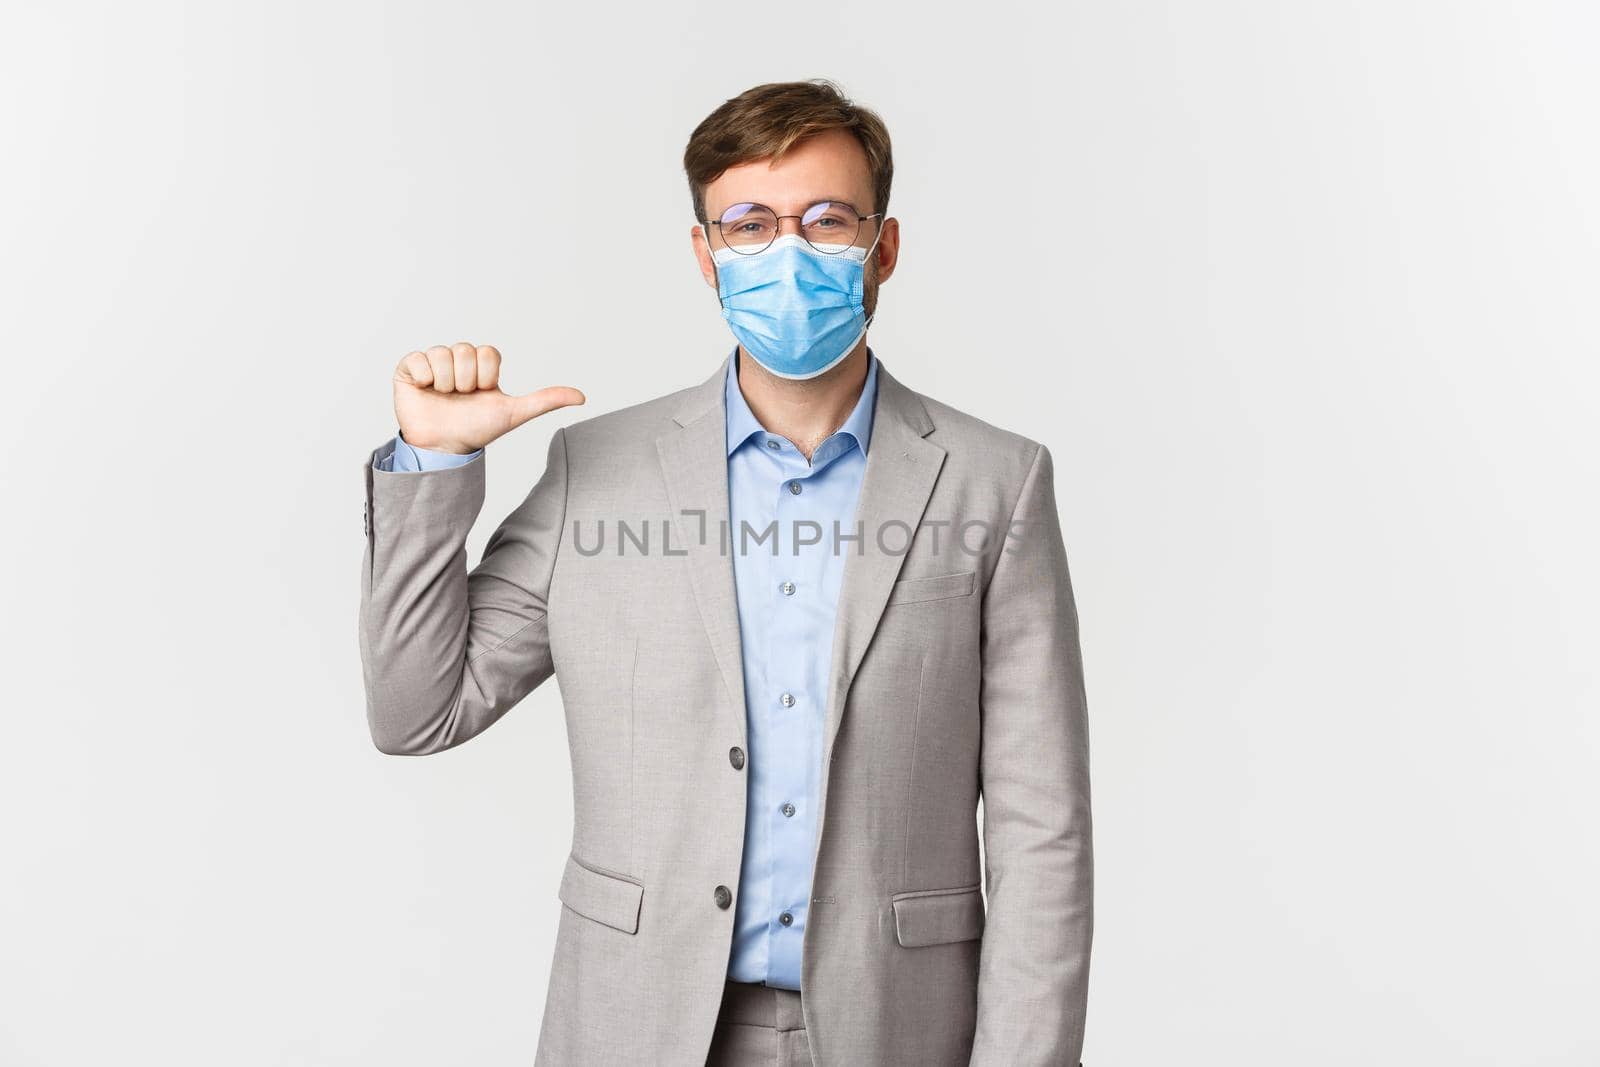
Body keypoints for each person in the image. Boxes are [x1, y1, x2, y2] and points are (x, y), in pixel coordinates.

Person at [358, 78, 1092, 1066]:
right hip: (637, 1022)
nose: (787, 253)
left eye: (827, 220)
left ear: (884, 248)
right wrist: (438, 465)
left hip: (899, 1027)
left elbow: (1042, 825)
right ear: (705, 256)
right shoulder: (597, 473)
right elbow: (417, 709)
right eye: (749, 225)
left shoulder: (995, 481)